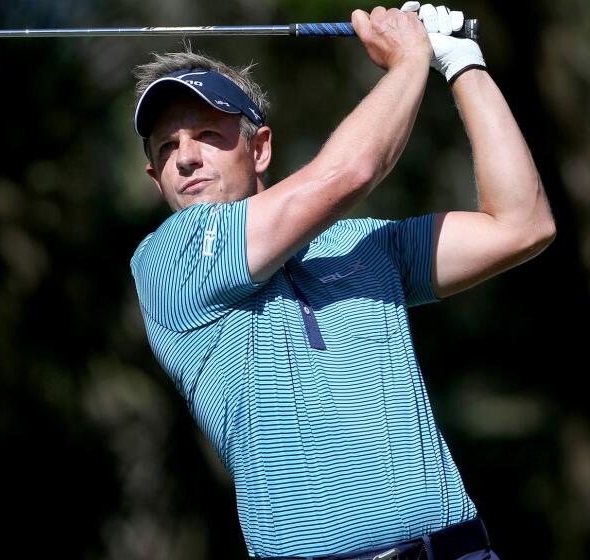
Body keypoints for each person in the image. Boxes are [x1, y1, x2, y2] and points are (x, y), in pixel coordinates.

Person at [129, 2, 556, 559]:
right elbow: (349, 173)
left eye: (208, 134)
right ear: (154, 175)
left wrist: (461, 65)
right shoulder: (168, 261)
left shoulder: (354, 243)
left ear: (259, 149)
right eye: (166, 147)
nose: (184, 158)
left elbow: (521, 225)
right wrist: (408, 63)